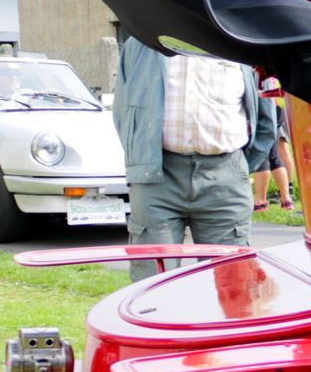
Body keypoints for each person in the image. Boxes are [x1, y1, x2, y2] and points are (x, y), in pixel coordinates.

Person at [115, 35, 275, 283]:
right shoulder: (143, 42)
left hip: (226, 180)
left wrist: (238, 169)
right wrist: (142, 159)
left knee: (234, 289)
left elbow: (266, 121)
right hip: (157, 178)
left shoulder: (242, 40)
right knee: (152, 284)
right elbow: (124, 111)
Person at [249, 70, 295, 212]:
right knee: (274, 157)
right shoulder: (273, 69)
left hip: (265, 111)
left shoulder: (258, 71)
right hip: (277, 109)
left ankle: (260, 202)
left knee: (263, 155)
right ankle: (287, 199)